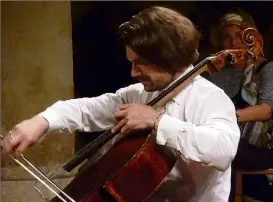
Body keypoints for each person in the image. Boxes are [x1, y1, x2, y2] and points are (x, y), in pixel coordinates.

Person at [2, 6, 240, 202]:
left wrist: (157, 121)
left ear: (170, 58)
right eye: (131, 62)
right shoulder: (138, 95)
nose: (133, 72)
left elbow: (223, 150)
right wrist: (42, 121)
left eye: (141, 63)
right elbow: (85, 110)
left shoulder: (210, 99)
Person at [208, 8, 273, 202]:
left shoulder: (269, 68)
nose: (234, 42)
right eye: (227, 37)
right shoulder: (218, 73)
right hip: (229, 138)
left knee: (219, 147)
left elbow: (266, 110)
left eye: (239, 35)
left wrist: (228, 117)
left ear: (251, 36)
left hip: (266, 147)